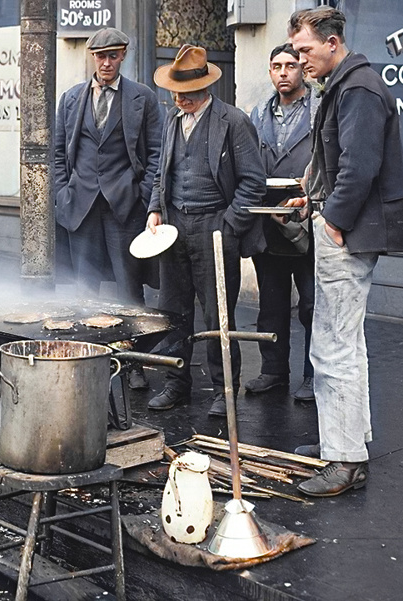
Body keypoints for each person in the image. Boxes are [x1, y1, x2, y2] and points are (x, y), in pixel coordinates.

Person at [286, 7, 403, 497]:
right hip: (349, 227)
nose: (299, 62)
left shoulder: (357, 87)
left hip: (349, 233)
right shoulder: (348, 83)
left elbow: (361, 165)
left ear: (333, 42)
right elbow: (341, 159)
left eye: (305, 51)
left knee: (333, 346)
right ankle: (345, 443)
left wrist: (334, 220)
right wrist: (312, 198)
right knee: (346, 343)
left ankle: (342, 460)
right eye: (296, 52)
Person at [146, 44, 267, 417]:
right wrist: (154, 210)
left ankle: (223, 389)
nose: (179, 99)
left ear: (205, 88)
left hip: (215, 225)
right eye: (176, 93)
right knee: (173, 310)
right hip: (173, 228)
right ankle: (176, 384)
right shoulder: (171, 120)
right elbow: (160, 174)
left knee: (218, 314)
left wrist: (229, 225)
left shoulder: (233, 121)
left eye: (186, 94)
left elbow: (253, 182)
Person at [52, 27, 163, 390]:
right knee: (83, 289)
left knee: (129, 289)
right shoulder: (71, 99)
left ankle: (132, 365)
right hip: (81, 206)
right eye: (100, 56)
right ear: (92, 58)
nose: (106, 62)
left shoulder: (142, 98)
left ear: (123, 56)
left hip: (123, 207)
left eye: (113, 55)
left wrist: (143, 194)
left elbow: (157, 152)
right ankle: (86, 361)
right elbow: (57, 154)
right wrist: (61, 193)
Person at [247, 44, 316, 402]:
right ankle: (273, 372)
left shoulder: (319, 110)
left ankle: (312, 375)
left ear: (302, 69)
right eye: (277, 66)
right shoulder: (258, 112)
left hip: (308, 220)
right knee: (271, 305)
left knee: (311, 305)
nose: (284, 72)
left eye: (291, 65)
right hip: (268, 221)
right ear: (270, 72)